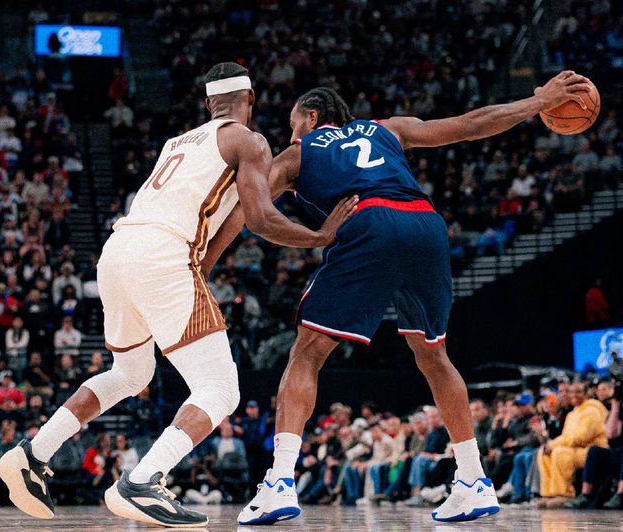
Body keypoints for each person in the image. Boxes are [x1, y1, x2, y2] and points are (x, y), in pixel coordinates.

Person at [199, 70, 591, 524]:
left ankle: (279, 481)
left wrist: (204, 263)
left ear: (312, 117)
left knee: (307, 353)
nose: (291, 134)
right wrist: (538, 101)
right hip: (425, 223)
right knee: (435, 356)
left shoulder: (297, 154)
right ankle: (474, 480)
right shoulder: (388, 128)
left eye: (293, 124)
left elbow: (247, 212)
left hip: (369, 222)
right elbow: (471, 124)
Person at [0, 62, 352, 528]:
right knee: (220, 389)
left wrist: (202, 267)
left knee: (130, 372)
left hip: (118, 250)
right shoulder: (249, 141)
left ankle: (33, 452)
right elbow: (260, 218)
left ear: (208, 104)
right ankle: (143, 481)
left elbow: (230, 220)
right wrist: (321, 236)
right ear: (249, 99)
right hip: (164, 254)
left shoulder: (177, 143)